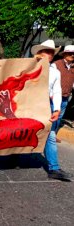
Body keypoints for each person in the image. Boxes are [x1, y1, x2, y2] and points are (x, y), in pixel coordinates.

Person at [31, 39, 72, 181]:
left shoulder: (55, 71)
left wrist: (56, 109)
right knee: (21, 131)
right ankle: (16, 155)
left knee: (50, 135)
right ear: (39, 53)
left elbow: (57, 91)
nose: (48, 54)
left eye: (50, 52)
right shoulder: (27, 66)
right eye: (45, 51)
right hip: (27, 105)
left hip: (45, 106)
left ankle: (54, 168)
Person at [51, 45, 74, 142]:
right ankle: (48, 136)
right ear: (64, 54)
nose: (72, 55)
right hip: (54, 97)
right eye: (70, 53)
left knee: (59, 117)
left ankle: (53, 134)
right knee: (52, 116)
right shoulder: (56, 64)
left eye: (73, 54)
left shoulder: (73, 67)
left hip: (65, 97)